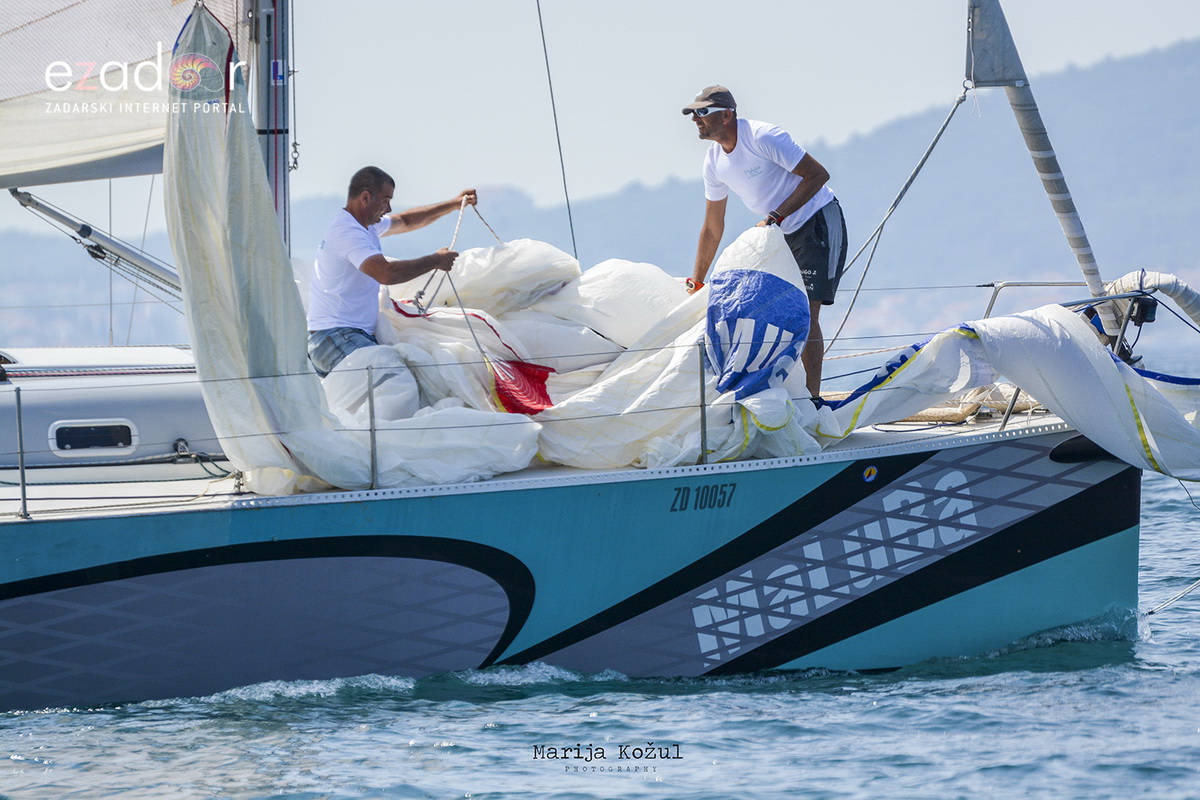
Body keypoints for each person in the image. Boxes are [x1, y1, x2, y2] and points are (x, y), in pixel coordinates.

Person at [683, 85, 847, 404]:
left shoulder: (763, 137)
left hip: (817, 222)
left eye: (703, 112)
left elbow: (817, 175)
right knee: (768, 311)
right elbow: (713, 226)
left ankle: (812, 398)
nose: (696, 119)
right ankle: (781, 391)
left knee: (807, 314)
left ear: (727, 115)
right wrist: (698, 280)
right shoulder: (714, 161)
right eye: (693, 114)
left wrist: (775, 216)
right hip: (778, 231)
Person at [306, 166, 477, 376]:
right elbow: (386, 273)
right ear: (366, 198)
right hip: (335, 337)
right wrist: (435, 261)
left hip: (344, 337)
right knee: (393, 378)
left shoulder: (365, 226)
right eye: (386, 200)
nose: (388, 208)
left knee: (391, 390)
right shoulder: (348, 233)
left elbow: (405, 221)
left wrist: (452, 204)